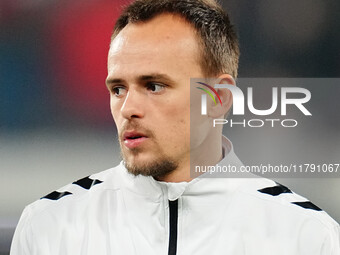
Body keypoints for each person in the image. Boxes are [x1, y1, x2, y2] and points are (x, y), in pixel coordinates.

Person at [11, 0, 340, 254]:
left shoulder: (305, 235)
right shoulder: (51, 225)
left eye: (154, 86)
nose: (129, 109)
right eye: (118, 89)